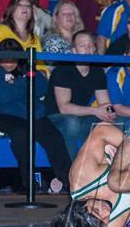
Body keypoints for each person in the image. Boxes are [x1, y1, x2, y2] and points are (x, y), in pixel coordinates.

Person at [0, 39, 71, 192]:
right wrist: (26, 85)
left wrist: (14, 86)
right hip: (7, 116)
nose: (9, 63)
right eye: (5, 58)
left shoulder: (27, 67)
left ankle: (69, 180)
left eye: (13, 58)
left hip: (35, 115)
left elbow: (42, 87)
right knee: (22, 135)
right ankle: (28, 184)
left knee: (55, 138)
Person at [45, 30, 116, 160]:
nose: (87, 49)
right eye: (82, 46)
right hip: (55, 118)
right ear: (73, 51)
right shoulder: (63, 70)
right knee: (72, 122)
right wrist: (95, 111)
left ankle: (106, 169)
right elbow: (64, 108)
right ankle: (72, 170)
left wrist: (111, 112)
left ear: (95, 49)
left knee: (122, 122)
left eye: (90, 46)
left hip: (82, 116)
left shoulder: (97, 71)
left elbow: (106, 103)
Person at [0, 0, 48, 76]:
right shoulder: (1, 31)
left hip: (28, 78)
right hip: (5, 76)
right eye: (20, 4)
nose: (25, 8)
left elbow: (41, 67)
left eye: (28, 6)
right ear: (11, 10)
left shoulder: (34, 38)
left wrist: (41, 73)